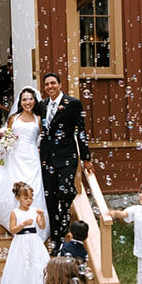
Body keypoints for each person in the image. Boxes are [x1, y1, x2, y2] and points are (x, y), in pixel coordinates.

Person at [0, 87, 50, 240]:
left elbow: (41, 139)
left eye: (30, 99)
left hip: (31, 157)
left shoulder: (38, 119)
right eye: (24, 99)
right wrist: (4, 142)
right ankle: (14, 221)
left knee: (33, 186)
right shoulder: (14, 118)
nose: (27, 102)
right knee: (12, 184)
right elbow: (8, 134)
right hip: (15, 156)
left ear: (35, 100)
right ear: (20, 101)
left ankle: (33, 223)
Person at [39, 72, 94, 256]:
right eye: (46, 84)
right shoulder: (43, 105)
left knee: (65, 193)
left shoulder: (73, 104)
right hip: (47, 158)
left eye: (53, 83)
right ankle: (56, 240)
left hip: (67, 157)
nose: (50, 86)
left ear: (60, 84)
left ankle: (64, 233)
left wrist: (86, 158)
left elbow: (81, 132)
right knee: (51, 199)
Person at [0, 182, 50, 284]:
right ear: (18, 198)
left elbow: (42, 226)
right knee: (20, 267)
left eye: (31, 198)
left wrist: (42, 216)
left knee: (36, 266)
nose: (29, 201)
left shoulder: (34, 211)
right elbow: (13, 230)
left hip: (34, 241)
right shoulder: (15, 212)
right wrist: (23, 223)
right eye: (25, 198)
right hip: (21, 242)